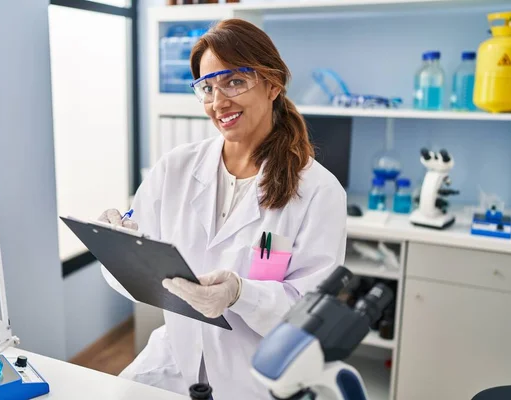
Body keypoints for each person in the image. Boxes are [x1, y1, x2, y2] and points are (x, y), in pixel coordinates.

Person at [98, 18, 346, 400]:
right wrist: (118, 247)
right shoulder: (175, 169)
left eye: (234, 82)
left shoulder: (318, 191)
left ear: (273, 83)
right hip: (175, 365)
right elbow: (135, 281)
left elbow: (308, 317)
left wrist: (240, 294)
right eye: (207, 88)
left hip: (256, 381)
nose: (219, 102)